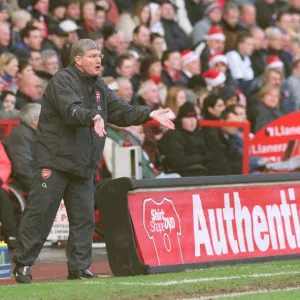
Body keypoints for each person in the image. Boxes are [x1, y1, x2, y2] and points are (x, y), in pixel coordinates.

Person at [12, 38, 174, 284]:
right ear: (77, 60)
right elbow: (71, 110)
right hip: (55, 162)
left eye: (99, 55)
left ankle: (78, 268)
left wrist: (149, 113)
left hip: (82, 164)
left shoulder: (99, 87)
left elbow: (122, 111)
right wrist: (93, 117)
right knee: (41, 213)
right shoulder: (62, 80)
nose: (99, 59)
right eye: (92, 56)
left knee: (84, 218)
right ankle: (23, 265)